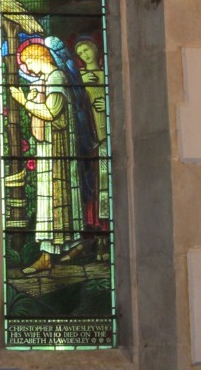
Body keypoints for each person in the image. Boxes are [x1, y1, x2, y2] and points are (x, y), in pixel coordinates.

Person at [10, 39, 84, 274]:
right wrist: (33, 97)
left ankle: (48, 255)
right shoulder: (48, 79)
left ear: (38, 57)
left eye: (27, 63)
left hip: (57, 151)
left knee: (52, 198)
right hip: (50, 148)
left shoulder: (56, 78)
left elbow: (51, 112)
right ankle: (72, 244)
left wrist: (23, 101)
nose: (27, 69)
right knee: (54, 197)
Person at [75, 36, 110, 259]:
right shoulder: (77, 77)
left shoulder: (108, 74)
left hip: (107, 137)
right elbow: (74, 104)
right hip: (89, 138)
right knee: (93, 186)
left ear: (95, 49)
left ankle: (106, 235)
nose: (85, 55)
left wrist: (107, 103)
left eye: (87, 49)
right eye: (80, 53)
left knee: (106, 185)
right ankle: (94, 235)